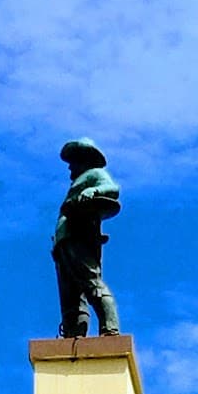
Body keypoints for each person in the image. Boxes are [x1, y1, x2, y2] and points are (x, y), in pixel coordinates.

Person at [52, 138, 121, 338]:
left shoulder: (95, 174)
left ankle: (110, 327)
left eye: (73, 161)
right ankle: (74, 332)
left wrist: (94, 190)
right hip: (65, 241)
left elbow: (113, 189)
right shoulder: (78, 181)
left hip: (79, 237)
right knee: (71, 294)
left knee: (91, 282)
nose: (70, 167)